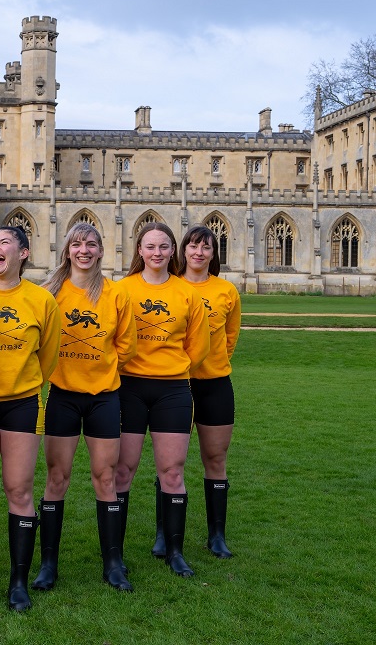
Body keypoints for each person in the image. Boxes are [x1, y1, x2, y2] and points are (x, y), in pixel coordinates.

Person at [32, 222, 137, 593]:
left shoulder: (115, 293)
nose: (84, 251)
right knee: (56, 478)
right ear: (67, 250)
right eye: (77, 244)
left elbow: (126, 345)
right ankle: (48, 565)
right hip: (62, 396)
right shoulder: (50, 293)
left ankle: (113, 564)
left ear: (100, 250)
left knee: (105, 478)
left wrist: (101, 367)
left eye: (91, 244)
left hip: (104, 398)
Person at [0, 226, 59, 611]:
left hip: (22, 402)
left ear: (23, 252)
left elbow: (48, 356)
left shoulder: (40, 299)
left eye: (4, 242)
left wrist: (22, 381)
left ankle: (19, 582)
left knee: (19, 491)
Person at [115, 222, 209, 578]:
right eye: (150, 246)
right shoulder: (122, 290)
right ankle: (116, 554)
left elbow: (199, 347)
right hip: (130, 388)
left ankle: (175, 552)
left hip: (172, 390)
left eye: (164, 247)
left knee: (172, 473)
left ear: (174, 251)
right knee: (122, 471)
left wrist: (175, 368)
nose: (157, 253)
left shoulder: (187, 293)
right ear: (139, 250)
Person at [175, 224, 241, 559]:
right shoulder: (170, 286)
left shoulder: (226, 291)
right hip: (176, 385)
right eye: (193, 246)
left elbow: (230, 339)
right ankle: (166, 535)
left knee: (215, 459)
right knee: (172, 463)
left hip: (215, 384)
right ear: (183, 250)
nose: (199, 252)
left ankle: (216, 535)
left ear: (213, 254)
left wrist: (211, 363)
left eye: (206, 248)